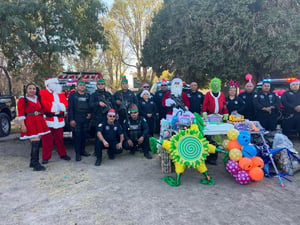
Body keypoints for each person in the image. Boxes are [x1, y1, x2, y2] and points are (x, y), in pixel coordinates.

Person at [17, 83, 50, 171]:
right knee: (35, 142)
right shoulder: (22, 99)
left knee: (37, 142)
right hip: (29, 122)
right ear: (26, 90)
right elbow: (20, 113)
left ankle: (32, 162)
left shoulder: (37, 98)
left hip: (38, 121)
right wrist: (22, 124)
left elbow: (41, 110)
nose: (32, 90)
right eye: (30, 88)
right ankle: (36, 163)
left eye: (34, 89)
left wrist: (44, 120)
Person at [39, 78, 71, 164]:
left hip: (59, 120)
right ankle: (46, 157)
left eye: (56, 83)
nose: (56, 85)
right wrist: (58, 106)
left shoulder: (60, 93)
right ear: (48, 84)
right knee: (47, 140)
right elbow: (45, 105)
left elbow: (65, 104)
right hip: (48, 120)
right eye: (54, 83)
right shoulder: (43, 92)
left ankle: (63, 154)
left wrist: (57, 106)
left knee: (60, 139)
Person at [202, 78, 228, 165]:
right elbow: (204, 104)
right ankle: (210, 149)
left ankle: (218, 145)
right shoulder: (208, 94)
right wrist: (204, 113)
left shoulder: (222, 94)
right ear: (211, 85)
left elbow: (224, 105)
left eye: (217, 84)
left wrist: (225, 113)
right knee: (209, 132)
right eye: (214, 84)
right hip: (210, 116)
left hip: (219, 116)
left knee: (219, 132)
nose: (215, 85)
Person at [68, 79, 92, 161]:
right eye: (80, 85)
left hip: (85, 118)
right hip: (76, 118)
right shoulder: (72, 96)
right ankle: (77, 153)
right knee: (77, 137)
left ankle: (83, 151)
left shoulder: (88, 95)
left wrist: (90, 113)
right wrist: (71, 119)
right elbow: (70, 108)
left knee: (84, 136)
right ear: (77, 86)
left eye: (83, 85)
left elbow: (90, 106)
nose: (82, 87)